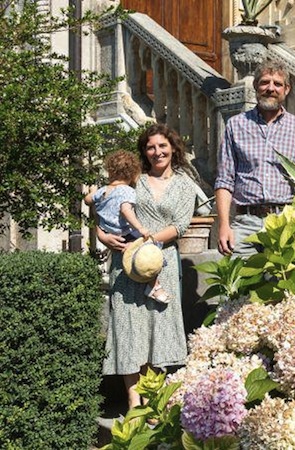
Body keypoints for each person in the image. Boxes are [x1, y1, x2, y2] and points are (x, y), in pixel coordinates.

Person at [96, 123, 196, 412]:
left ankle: (155, 401)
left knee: (159, 329)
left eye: (162, 146)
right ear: (144, 151)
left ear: (173, 149)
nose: (157, 152)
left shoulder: (184, 185)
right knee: (129, 329)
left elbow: (179, 226)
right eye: (150, 147)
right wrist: (103, 235)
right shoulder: (131, 181)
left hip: (160, 265)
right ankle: (133, 401)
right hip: (126, 265)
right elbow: (103, 207)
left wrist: (147, 241)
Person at [215, 60, 295, 257]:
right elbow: (224, 180)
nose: (270, 88)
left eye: (277, 84)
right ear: (256, 86)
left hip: (285, 223)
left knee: (280, 285)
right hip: (245, 224)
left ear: (286, 89)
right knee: (238, 285)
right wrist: (223, 226)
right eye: (264, 82)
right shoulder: (236, 126)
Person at [85, 150, 170, 303]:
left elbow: (87, 200)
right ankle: (154, 285)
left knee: (131, 255)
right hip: (124, 232)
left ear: (110, 171)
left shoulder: (103, 191)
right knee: (152, 248)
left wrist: (92, 192)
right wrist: (140, 228)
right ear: (132, 174)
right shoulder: (127, 191)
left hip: (109, 232)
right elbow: (126, 211)